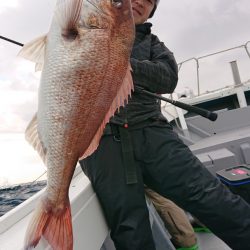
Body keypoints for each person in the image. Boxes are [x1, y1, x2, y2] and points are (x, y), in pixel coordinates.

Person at [80, 0, 250, 249]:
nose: (141, 2)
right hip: (102, 142)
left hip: (153, 134)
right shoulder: (86, 33)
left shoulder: (154, 44)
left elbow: (167, 77)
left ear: (152, 12)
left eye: (150, 2)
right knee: (129, 228)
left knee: (214, 198)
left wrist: (123, 64)